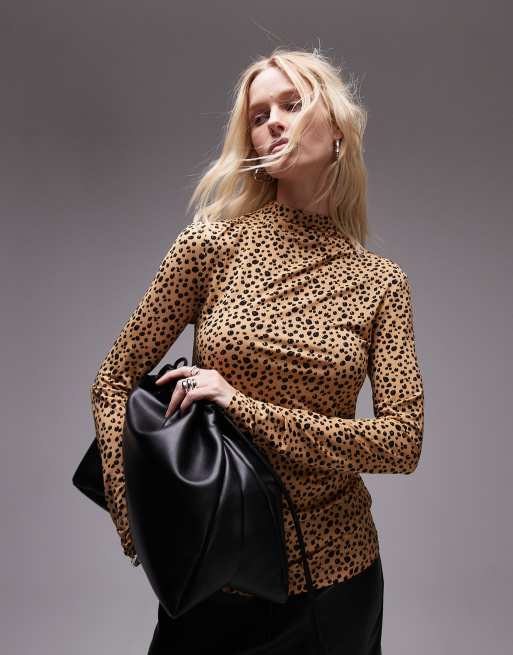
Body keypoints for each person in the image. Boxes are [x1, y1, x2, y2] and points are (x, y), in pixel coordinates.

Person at [90, 46, 424, 655]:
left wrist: (240, 405)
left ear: (338, 129)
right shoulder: (210, 246)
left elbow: (402, 442)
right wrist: (138, 527)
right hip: (216, 580)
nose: (272, 121)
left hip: (337, 583)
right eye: (259, 114)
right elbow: (112, 383)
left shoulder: (380, 282)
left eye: (292, 105)